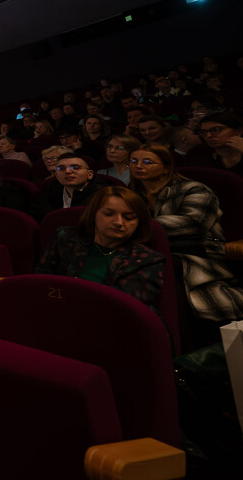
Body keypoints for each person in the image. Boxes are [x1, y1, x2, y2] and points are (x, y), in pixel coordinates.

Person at [129, 144, 243, 345]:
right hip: (150, 251)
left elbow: (194, 224)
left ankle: (182, 345)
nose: (139, 166)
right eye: (134, 161)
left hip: (199, 253)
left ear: (166, 167)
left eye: (147, 162)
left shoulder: (194, 189)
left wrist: (137, 226)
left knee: (164, 265)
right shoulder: (131, 194)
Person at [36, 186, 165, 307]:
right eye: (109, 214)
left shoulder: (147, 259)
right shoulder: (65, 238)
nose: (118, 222)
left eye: (129, 217)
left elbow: (124, 307)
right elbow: (41, 283)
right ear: (93, 214)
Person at [32, 153, 109, 220]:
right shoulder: (47, 193)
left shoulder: (103, 196)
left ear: (90, 174)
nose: (67, 171)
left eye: (75, 167)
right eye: (61, 168)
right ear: (56, 175)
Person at [195, 111, 243, 176]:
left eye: (216, 129)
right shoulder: (201, 162)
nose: (208, 135)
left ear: (239, 131)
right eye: (204, 132)